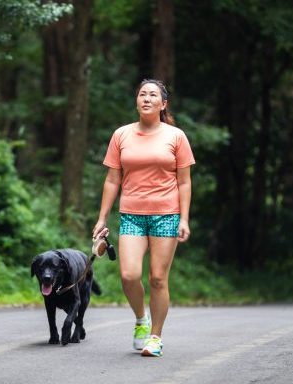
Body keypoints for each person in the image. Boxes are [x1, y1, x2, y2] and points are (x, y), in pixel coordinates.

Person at [92, 79, 195, 357]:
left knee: (158, 279)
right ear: (136, 101)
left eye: (152, 95)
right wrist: (102, 218)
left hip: (166, 214)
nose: (146, 99)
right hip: (132, 215)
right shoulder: (121, 135)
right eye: (142, 94)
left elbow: (184, 182)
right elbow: (113, 179)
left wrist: (184, 219)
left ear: (163, 104)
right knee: (129, 274)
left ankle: (155, 337)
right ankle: (141, 319)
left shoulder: (176, 136)